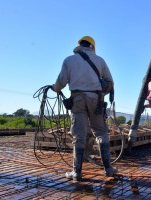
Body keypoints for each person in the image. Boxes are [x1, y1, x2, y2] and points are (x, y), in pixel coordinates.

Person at [51, 36, 117, 182]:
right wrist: (101, 93)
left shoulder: (69, 60)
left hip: (77, 99)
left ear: (79, 45)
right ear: (92, 46)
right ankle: (108, 169)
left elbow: (60, 82)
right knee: (101, 133)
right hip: (96, 99)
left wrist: (55, 88)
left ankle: (77, 172)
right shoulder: (100, 60)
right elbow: (110, 82)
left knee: (78, 135)